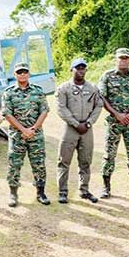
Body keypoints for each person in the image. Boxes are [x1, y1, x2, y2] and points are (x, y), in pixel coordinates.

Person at [98, 48, 129, 200]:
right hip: (113, 122)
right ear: (116, 59)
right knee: (109, 154)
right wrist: (116, 114)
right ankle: (106, 188)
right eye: (121, 58)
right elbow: (102, 97)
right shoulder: (107, 76)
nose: (123, 60)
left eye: (126, 58)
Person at [55, 57, 104, 204]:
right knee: (64, 161)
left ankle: (84, 190)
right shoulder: (63, 88)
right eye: (78, 68)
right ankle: (63, 191)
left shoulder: (93, 88)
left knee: (85, 161)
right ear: (72, 70)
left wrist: (89, 123)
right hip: (70, 129)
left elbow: (98, 106)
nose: (81, 70)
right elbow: (61, 108)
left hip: (87, 130)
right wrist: (76, 124)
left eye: (83, 68)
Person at [2, 62, 51, 207]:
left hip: (35, 135)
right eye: (19, 72)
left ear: (29, 74)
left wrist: (34, 129)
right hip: (17, 136)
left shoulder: (38, 91)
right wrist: (24, 130)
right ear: (15, 74)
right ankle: (13, 193)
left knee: (39, 164)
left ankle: (40, 192)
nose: (22, 74)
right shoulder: (9, 92)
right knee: (14, 164)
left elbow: (44, 110)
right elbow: (7, 114)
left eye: (25, 72)